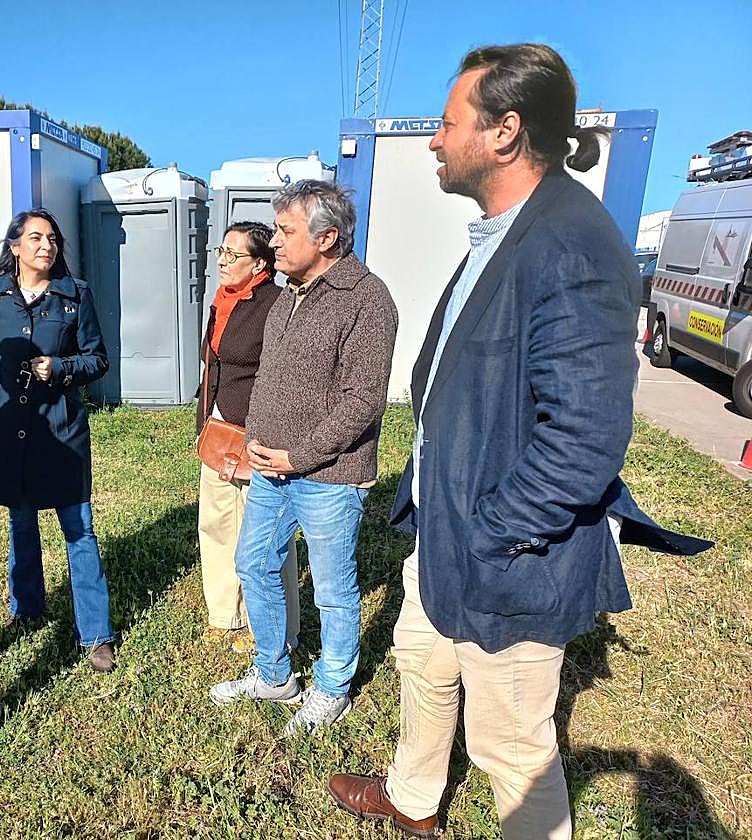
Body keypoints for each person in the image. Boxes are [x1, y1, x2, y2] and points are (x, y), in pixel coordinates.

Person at [326, 44, 712, 839]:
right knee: (423, 666)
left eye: (445, 123)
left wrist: (494, 531)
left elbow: (584, 436)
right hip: (449, 532)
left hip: (506, 551)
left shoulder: (569, 243)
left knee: (511, 745)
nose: (434, 141)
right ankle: (413, 796)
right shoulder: (506, 231)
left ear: (504, 132)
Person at [209, 180, 398, 737]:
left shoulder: (368, 299)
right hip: (270, 465)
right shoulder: (289, 292)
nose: (277, 243)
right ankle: (274, 675)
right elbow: (270, 380)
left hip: (329, 476)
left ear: (328, 238)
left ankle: (333, 686)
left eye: (288, 232)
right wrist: (257, 442)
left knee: (334, 589)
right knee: (253, 563)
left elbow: (362, 399)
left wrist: (301, 455)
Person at [0, 209, 116, 672]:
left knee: (79, 530)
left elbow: (98, 359)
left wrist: (63, 367)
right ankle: (27, 608)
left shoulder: (75, 296)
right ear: (15, 247)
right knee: (21, 522)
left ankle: (96, 634)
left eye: (52, 239)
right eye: (35, 238)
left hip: (61, 432)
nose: (46, 246)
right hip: (7, 429)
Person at [196, 221, 300, 655]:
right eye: (221, 250)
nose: (222, 260)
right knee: (217, 524)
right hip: (217, 429)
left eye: (233, 254)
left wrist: (263, 432)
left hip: (256, 436)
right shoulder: (222, 300)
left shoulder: (276, 304)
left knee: (266, 534)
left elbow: (281, 377)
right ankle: (226, 614)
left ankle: (270, 624)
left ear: (260, 264)